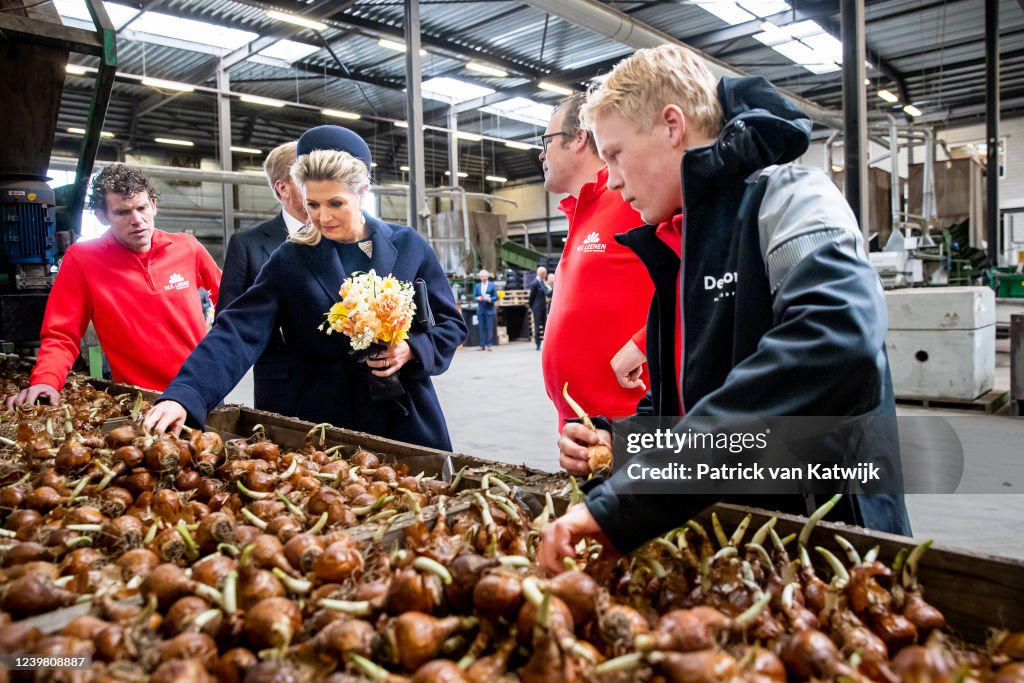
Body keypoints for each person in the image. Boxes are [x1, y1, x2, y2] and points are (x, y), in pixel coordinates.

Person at [538, 45, 911, 573]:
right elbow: (688, 402)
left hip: (827, 534)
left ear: (672, 126)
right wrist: (619, 441)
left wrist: (631, 503)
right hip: (742, 537)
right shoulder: (676, 246)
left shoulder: (792, 199)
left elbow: (835, 352)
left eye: (616, 154)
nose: (613, 180)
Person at [144, 126, 468, 451]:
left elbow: (450, 324)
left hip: (403, 414)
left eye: (335, 203)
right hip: (326, 420)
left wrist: (412, 349)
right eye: (312, 204)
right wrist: (187, 394)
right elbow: (239, 329)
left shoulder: (409, 245)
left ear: (362, 192)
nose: (323, 217)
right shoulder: (292, 258)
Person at [5, 164, 221, 408]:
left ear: (153, 205)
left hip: (202, 389)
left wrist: (218, 354)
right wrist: (46, 380)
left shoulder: (187, 247)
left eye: (141, 208)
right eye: (122, 212)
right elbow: (62, 334)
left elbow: (232, 301)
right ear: (102, 216)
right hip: (142, 400)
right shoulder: (83, 260)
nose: (137, 220)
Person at [539, 93, 654, 431]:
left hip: (628, 421)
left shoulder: (630, 197)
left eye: (547, 141)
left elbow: (693, 277)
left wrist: (643, 344)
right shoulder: (580, 212)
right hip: (579, 423)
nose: (541, 154)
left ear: (578, 138)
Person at [218, 141, 307, 416]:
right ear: (282, 188)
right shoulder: (248, 244)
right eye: (306, 175)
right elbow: (229, 321)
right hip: (282, 385)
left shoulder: (340, 236)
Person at [527, 265, 551, 350]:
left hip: (543, 306)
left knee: (545, 325)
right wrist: (532, 306)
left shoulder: (542, 282)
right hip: (537, 307)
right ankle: (538, 344)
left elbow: (547, 293)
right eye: (545, 273)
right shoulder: (535, 283)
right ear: (542, 274)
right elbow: (531, 297)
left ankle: (546, 343)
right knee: (537, 325)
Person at [473, 269, 497, 351]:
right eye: (482, 276)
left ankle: (489, 345)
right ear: (480, 277)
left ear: (487, 276)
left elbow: (496, 297)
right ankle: (481, 345)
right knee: (481, 328)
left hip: (489, 309)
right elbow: (474, 296)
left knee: (489, 328)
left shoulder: (492, 285)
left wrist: (489, 299)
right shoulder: (477, 286)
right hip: (481, 309)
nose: (483, 278)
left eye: (485, 276)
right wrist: (478, 298)